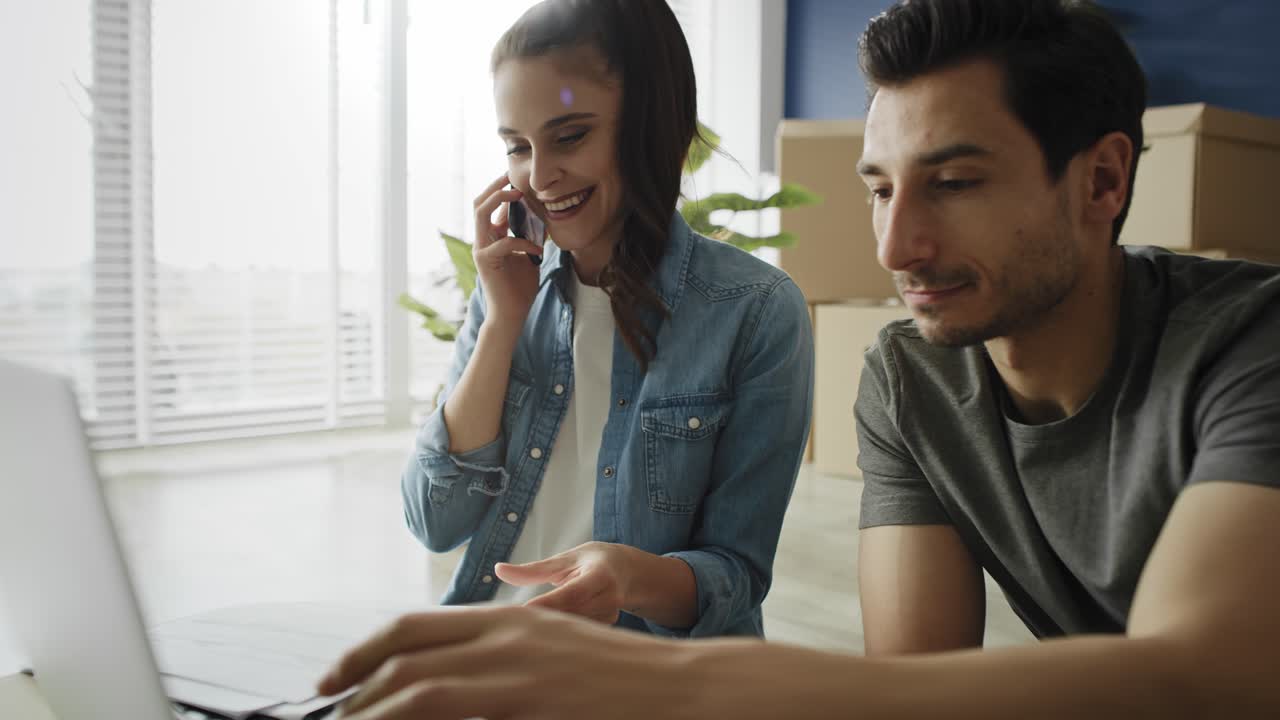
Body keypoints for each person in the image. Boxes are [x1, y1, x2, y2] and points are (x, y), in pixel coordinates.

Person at [323, 0, 1280, 717]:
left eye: (951, 182)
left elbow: (1214, 674)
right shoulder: (916, 377)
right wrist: (499, 322)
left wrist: (672, 675)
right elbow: (914, 691)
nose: (895, 248)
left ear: (1103, 179)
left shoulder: (1252, 343)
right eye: (878, 190)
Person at [398, 0, 813, 640]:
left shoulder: (755, 311)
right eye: (516, 147)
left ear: (654, 122)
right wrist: (502, 322)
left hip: (637, 680)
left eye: (569, 136)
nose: (538, 176)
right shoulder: (507, 292)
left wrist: (625, 578)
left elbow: (735, 576)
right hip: (487, 656)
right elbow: (436, 520)